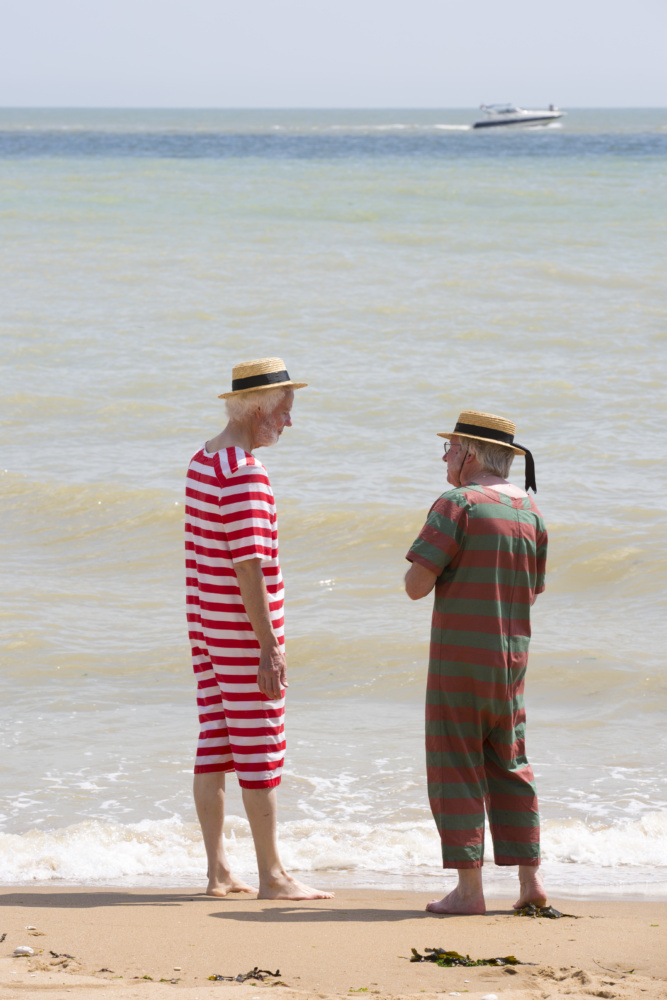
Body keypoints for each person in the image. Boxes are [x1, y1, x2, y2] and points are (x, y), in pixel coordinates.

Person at [184, 356, 333, 901]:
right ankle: (272, 874)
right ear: (259, 410)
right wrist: (269, 647)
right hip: (241, 631)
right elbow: (247, 565)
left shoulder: (204, 459)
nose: (289, 422)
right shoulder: (245, 474)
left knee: (215, 744)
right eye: (285, 410)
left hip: (205, 625)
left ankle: (218, 870)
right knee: (260, 748)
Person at [404, 410, 548, 915]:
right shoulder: (530, 511)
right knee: (511, 763)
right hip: (511, 662)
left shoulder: (457, 503)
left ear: (468, 453)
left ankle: (470, 891)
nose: (444, 457)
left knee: (456, 763)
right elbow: (533, 589)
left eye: (448, 448)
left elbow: (416, 586)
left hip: (460, 661)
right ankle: (530, 883)